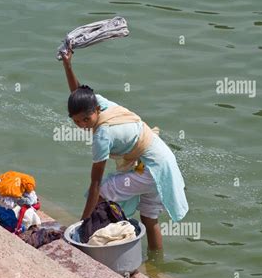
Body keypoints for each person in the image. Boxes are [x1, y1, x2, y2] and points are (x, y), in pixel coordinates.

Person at [61, 49, 189, 251]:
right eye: (77, 121)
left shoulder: (103, 135)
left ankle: (93, 242)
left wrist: (83, 223)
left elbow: (96, 183)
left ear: (96, 111)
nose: (83, 124)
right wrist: (67, 65)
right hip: (162, 163)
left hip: (150, 169)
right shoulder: (102, 104)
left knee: (102, 192)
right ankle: (156, 265)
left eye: (86, 119)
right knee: (149, 218)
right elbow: (79, 94)